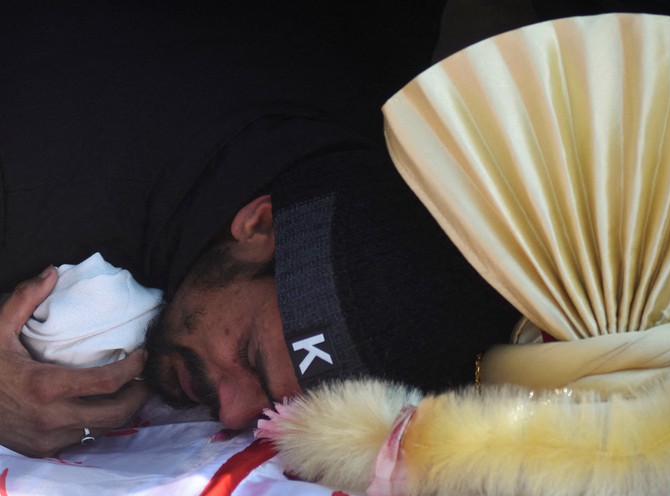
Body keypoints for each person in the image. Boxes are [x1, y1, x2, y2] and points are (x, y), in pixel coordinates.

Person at [0, 0, 450, 456]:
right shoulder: (30, 190)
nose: (234, 415)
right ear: (258, 226)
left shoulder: (383, 50)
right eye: (250, 358)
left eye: (283, 411)